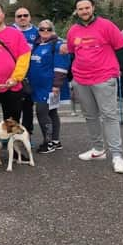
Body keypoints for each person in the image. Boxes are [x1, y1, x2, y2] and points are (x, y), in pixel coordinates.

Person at [61, 0, 123, 174]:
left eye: (87, 7)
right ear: (77, 11)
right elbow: (72, 51)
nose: (84, 11)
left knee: (109, 116)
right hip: (81, 79)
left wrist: (116, 67)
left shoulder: (106, 25)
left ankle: (117, 155)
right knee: (90, 116)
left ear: (93, 8)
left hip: (104, 78)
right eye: (80, 8)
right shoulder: (73, 30)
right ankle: (98, 149)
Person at [27, 20, 70, 154]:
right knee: (52, 112)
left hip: (50, 87)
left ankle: (48, 142)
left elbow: (61, 66)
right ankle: (55, 141)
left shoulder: (57, 45)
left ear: (53, 30)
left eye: (48, 29)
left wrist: (56, 86)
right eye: (42, 29)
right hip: (38, 87)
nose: (45, 31)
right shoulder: (37, 44)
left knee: (42, 112)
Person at [13, 7, 38, 135]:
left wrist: (62, 44)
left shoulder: (38, 32)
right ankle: (13, 135)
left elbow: (52, 39)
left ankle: (27, 135)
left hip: (29, 77)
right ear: (15, 18)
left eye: (25, 15)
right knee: (13, 109)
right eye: (19, 16)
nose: (22, 18)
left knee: (28, 108)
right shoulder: (9, 30)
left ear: (30, 17)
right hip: (11, 77)